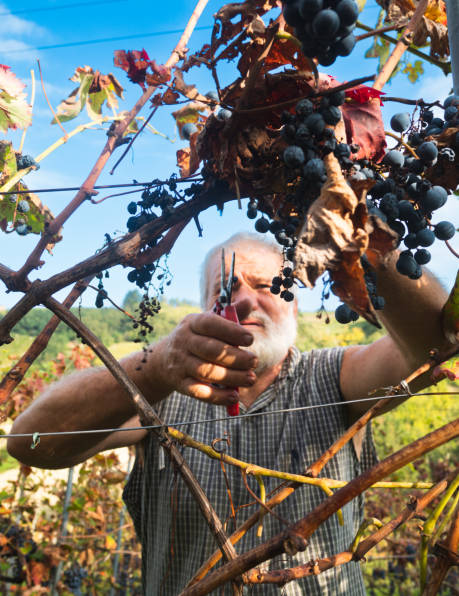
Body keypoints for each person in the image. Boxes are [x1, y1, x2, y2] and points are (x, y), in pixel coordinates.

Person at [8, 232, 450, 594]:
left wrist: (353, 228)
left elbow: (435, 345)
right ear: (202, 310)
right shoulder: (159, 397)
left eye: (264, 286)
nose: (243, 300)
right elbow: (30, 442)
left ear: (294, 303)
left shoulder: (335, 376)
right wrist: (157, 367)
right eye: (225, 289)